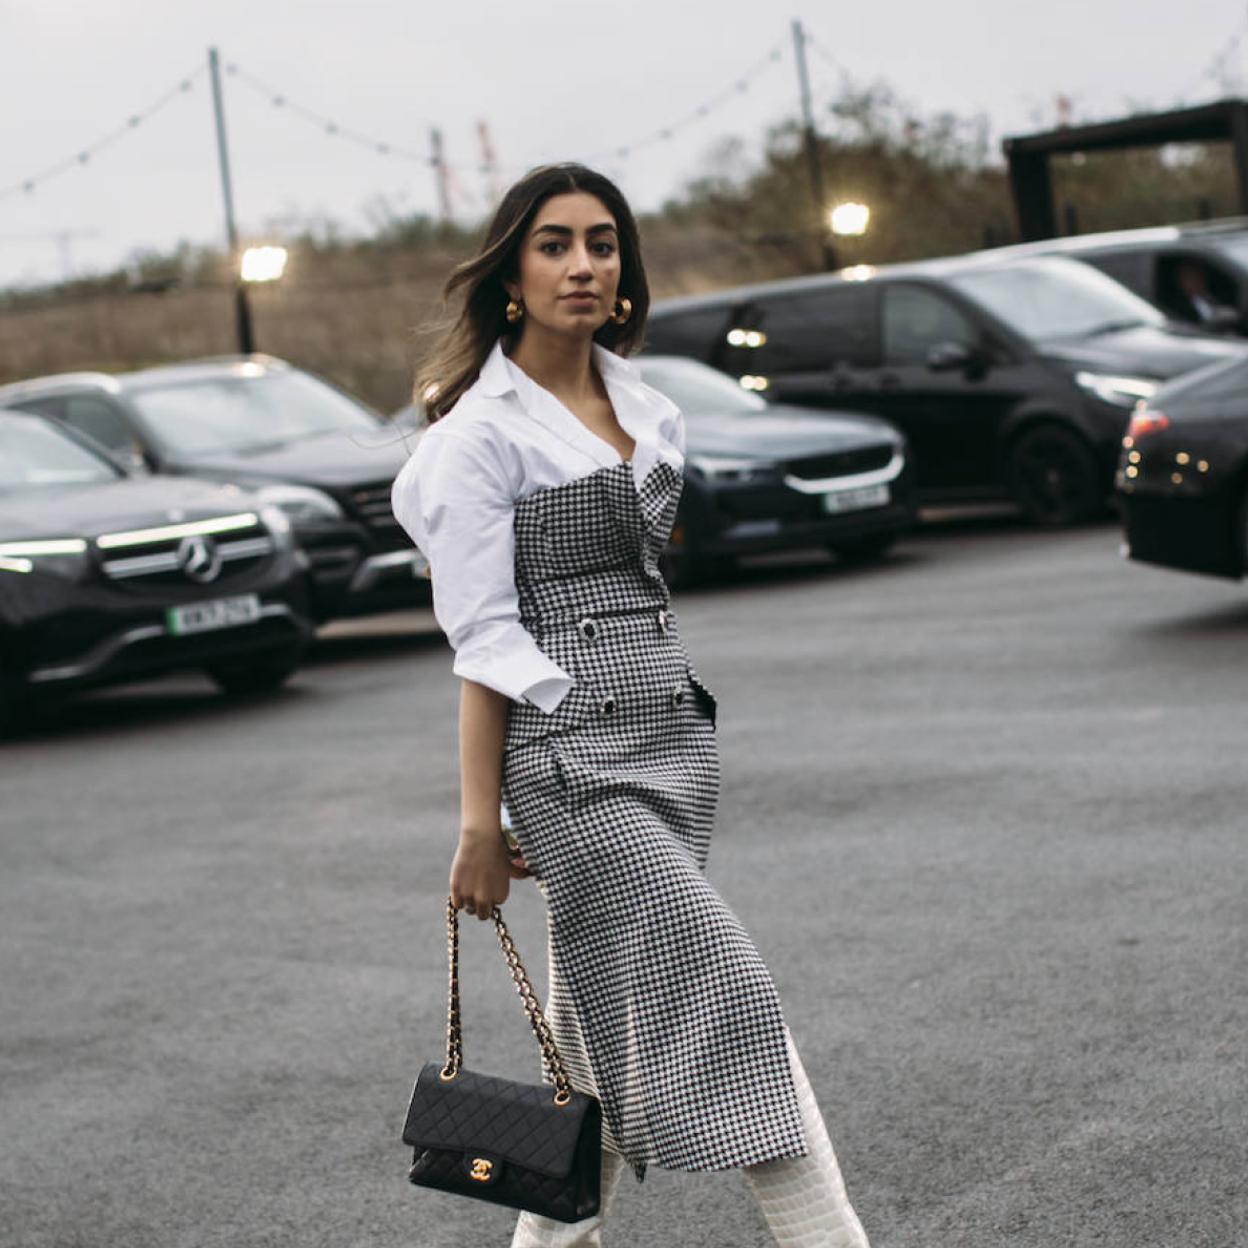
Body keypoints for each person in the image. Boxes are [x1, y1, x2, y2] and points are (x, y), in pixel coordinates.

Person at [390, 162, 870, 1248]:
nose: (583, 266)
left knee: (597, 1025)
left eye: (602, 244)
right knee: (729, 990)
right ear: (512, 271)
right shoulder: (475, 438)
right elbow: (483, 643)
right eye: (555, 244)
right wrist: (481, 821)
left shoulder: (644, 404)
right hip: (568, 758)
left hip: (670, 735)